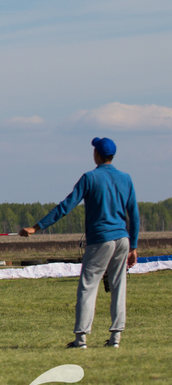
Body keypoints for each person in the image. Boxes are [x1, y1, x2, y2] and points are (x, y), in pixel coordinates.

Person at [20, 137, 140, 349]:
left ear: (97, 154)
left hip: (100, 239)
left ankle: (81, 338)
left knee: (88, 287)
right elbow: (134, 215)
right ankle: (116, 338)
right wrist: (134, 246)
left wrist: (37, 227)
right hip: (122, 239)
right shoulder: (126, 178)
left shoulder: (90, 178)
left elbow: (66, 206)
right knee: (119, 286)